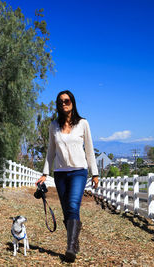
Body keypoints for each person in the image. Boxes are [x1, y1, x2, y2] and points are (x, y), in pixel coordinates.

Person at [36, 90, 99, 262]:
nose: (64, 104)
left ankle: (70, 247)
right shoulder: (53, 126)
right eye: (61, 102)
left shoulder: (83, 123)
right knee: (67, 211)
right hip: (60, 174)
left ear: (72, 102)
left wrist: (95, 173)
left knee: (73, 205)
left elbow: (90, 149)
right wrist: (44, 173)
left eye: (67, 101)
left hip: (79, 171)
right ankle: (74, 239)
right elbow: (50, 152)